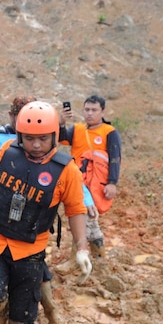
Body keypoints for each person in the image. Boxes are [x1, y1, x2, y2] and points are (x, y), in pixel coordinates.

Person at [0, 101, 92, 324]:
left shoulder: (66, 170)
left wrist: (82, 247)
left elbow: (75, 209)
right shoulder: (8, 152)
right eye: (29, 138)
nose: (35, 145)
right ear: (19, 136)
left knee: (24, 312)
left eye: (42, 138)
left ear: (54, 136)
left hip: (30, 250)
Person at [60, 94, 122, 258]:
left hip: (96, 183)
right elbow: (60, 138)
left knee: (82, 218)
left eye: (94, 110)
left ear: (102, 111)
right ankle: (100, 256)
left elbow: (115, 158)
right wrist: (61, 122)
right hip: (77, 181)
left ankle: (77, 259)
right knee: (89, 218)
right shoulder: (77, 129)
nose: (90, 113)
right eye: (87, 109)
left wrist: (112, 182)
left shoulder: (109, 132)